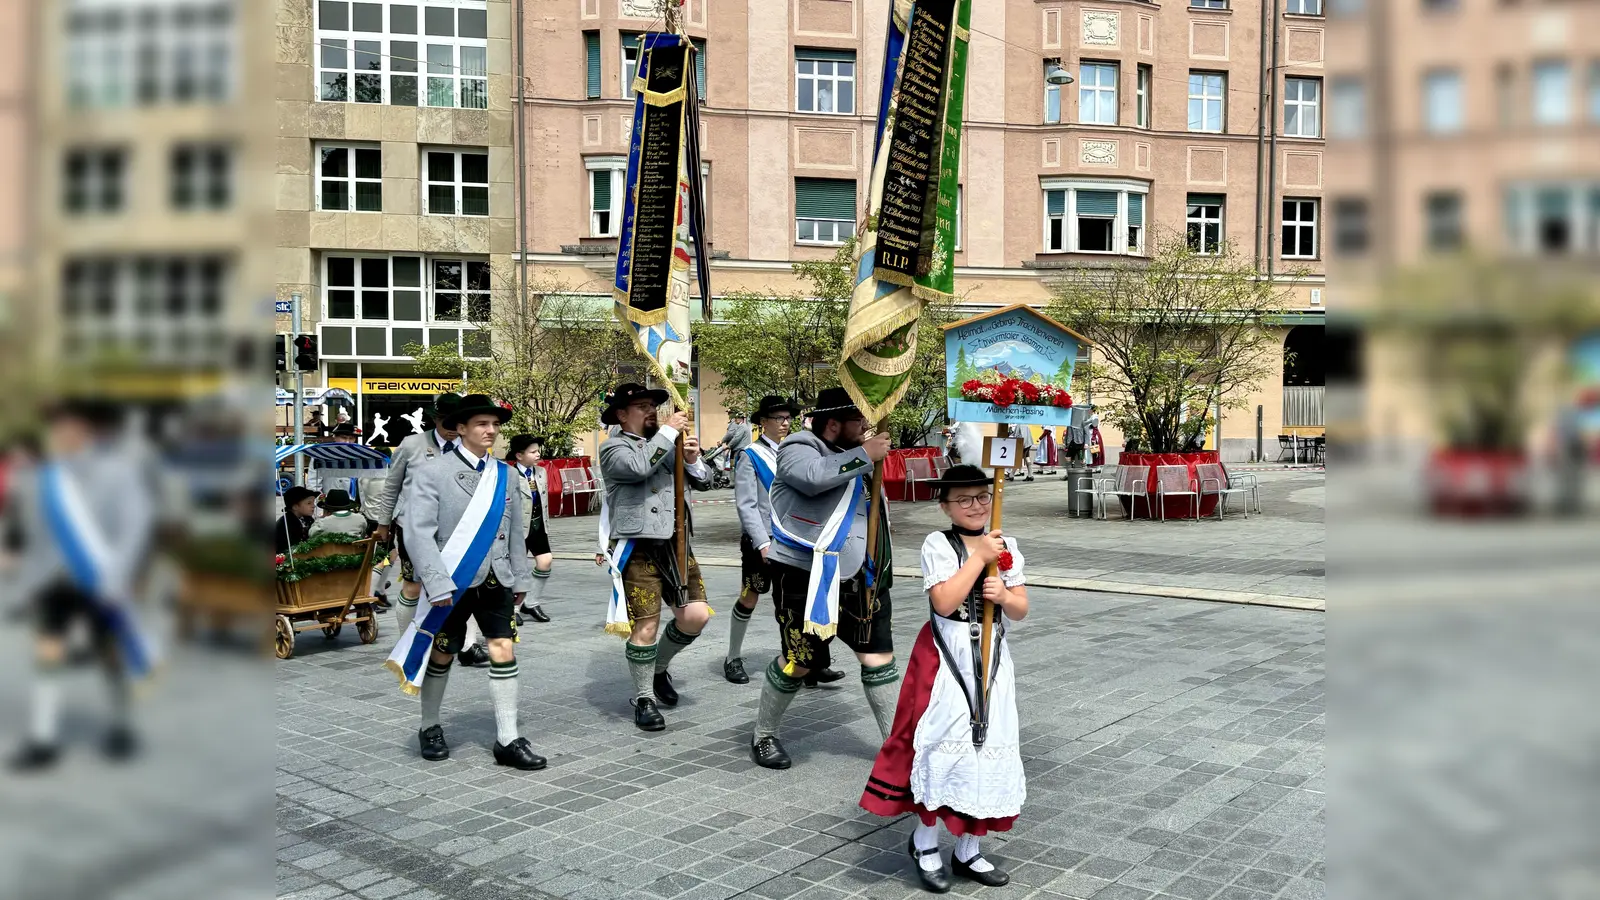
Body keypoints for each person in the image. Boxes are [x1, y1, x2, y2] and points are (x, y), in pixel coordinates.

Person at [859, 464, 1029, 892]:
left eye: (982, 497)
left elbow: (1021, 608)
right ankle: (925, 841)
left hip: (992, 660)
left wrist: (1005, 594)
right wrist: (979, 560)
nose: (976, 506)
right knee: (941, 742)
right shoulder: (939, 543)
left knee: (990, 742)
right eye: (964, 499)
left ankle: (969, 847)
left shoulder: (1006, 544)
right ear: (945, 506)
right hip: (947, 654)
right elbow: (944, 600)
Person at [382, 394, 545, 771]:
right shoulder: (431, 471)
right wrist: (435, 582)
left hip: (496, 578)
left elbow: (515, 529)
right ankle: (430, 726)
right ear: (460, 428)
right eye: (482, 425)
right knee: (442, 654)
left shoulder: (504, 474)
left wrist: (520, 576)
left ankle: (507, 738)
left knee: (503, 648)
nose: (491, 431)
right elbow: (418, 533)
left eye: (495, 425)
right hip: (449, 584)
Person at [750, 386, 897, 770]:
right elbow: (812, 477)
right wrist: (865, 454)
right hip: (805, 575)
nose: (866, 426)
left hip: (863, 576)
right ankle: (764, 734)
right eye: (859, 420)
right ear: (834, 423)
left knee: (877, 657)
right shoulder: (798, 446)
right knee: (799, 661)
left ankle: (897, 748)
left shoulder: (858, 453)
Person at [8, 398, 157, 770]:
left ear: (87, 431)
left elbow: (134, 524)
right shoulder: (45, 477)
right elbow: (32, 531)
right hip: (53, 579)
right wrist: (23, 577)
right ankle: (43, 738)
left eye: (68, 428)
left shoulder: (117, 471)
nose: (60, 436)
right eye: (56, 429)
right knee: (48, 650)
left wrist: (121, 575)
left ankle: (121, 725)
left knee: (110, 652)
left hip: (102, 576)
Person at [596, 383, 712, 732]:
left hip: (677, 543)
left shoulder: (667, 442)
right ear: (621, 415)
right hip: (639, 546)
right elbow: (637, 468)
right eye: (642, 406)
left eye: (653, 405)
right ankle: (644, 698)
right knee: (646, 626)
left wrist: (692, 459)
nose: (651, 411)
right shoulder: (613, 447)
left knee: (695, 616)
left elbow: (707, 481)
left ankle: (659, 667)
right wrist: (668, 434)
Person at [727, 395, 843, 686]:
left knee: (804, 600)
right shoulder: (750, 455)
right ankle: (733, 657)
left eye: (788, 418)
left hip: (798, 539)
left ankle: (808, 661)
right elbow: (747, 505)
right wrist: (762, 542)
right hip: (764, 540)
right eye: (778, 418)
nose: (784, 423)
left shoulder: (801, 451)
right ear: (762, 422)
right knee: (750, 596)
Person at [372, 393, 488, 667]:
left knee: (464, 584)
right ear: (434, 419)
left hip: (460, 528)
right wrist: (383, 524)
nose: (450, 427)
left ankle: (467, 645)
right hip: (415, 528)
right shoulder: (412, 445)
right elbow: (392, 487)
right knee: (413, 587)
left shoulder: (472, 447)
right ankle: (408, 644)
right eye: (444, 420)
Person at [505, 435, 553, 624]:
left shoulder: (541, 472)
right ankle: (513, 607)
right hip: (517, 528)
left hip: (538, 524)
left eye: (537, 450)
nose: (537, 454)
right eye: (532, 452)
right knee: (518, 568)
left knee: (545, 561)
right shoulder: (509, 474)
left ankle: (531, 602)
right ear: (519, 455)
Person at [277, 486, 317, 553]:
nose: (313, 506)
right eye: (309, 503)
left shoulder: (308, 519)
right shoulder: (286, 525)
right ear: (295, 507)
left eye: (313, 502)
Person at [716, 410, 752, 476]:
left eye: (737, 418)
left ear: (741, 419)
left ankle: (734, 483)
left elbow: (736, 438)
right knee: (734, 466)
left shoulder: (742, 426)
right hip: (740, 449)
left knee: (735, 466)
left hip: (739, 450)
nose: (735, 419)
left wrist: (728, 446)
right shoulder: (741, 426)